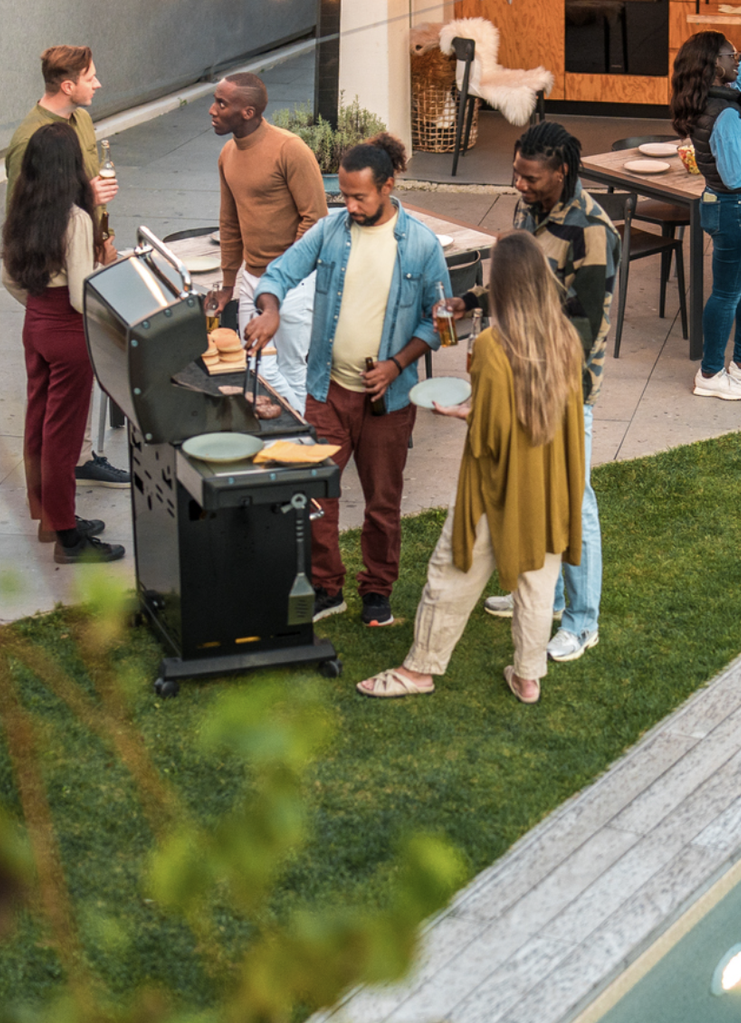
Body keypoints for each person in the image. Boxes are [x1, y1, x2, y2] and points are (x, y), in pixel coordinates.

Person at [356, 231, 586, 705]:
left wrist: (462, 411)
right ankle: (528, 676)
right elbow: (545, 420)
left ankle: (419, 669)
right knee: (537, 583)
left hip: (495, 490)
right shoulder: (567, 339)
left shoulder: (491, 346)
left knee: (451, 571)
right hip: (547, 489)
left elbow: (491, 436)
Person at [245, 134, 448, 629]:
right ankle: (326, 587)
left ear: (388, 186)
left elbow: (439, 322)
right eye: (343, 195)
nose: (349, 205)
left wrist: (397, 364)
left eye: (359, 196)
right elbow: (278, 274)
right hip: (328, 392)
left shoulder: (419, 244)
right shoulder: (332, 231)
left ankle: (377, 592)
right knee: (319, 495)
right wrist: (269, 310)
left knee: (383, 503)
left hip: (389, 399)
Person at [445, 121, 613, 662]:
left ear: (562, 172)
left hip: (567, 386)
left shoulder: (590, 230)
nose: (519, 185)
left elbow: (585, 322)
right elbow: (512, 277)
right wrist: (469, 303)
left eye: (531, 178)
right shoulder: (532, 211)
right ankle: (554, 598)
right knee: (544, 490)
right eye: (517, 174)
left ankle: (583, 621)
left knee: (572, 497)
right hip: (526, 373)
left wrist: (551, 381)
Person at [0, 122, 125, 564]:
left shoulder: (21, 210)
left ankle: (49, 517)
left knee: (38, 422)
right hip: (69, 332)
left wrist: (39, 308)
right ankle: (68, 535)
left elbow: (9, 279)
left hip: (35, 321)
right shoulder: (75, 219)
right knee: (64, 435)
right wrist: (105, 263)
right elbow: (80, 294)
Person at [7, 45, 127, 489]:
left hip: (88, 251)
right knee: (54, 411)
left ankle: (68, 473)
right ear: (67, 85)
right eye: (90, 77)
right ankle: (58, 493)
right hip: (59, 291)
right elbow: (23, 224)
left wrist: (100, 227)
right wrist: (44, 299)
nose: (97, 84)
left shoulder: (81, 120)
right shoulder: (31, 141)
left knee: (64, 405)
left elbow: (82, 192)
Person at [207, 70, 328, 413]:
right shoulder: (228, 154)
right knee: (256, 364)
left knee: (290, 367)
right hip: (251, 278)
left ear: (248, 112)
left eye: (221, 103)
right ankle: (298, 433)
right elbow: (229, 223)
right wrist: (229, 284)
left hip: (294, 281)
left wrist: (285, 274)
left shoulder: (290, 150)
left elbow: (315, 219)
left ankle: (309, 443)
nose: (212, 110)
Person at [671, 31, 741, 402]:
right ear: (714, 65)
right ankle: (711, 373)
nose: (737, 59)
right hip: (737, 209)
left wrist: (739, 56)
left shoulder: (720, 99)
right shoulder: (725, 117)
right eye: (730, 55)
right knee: (727, 294)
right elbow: (736, 176)